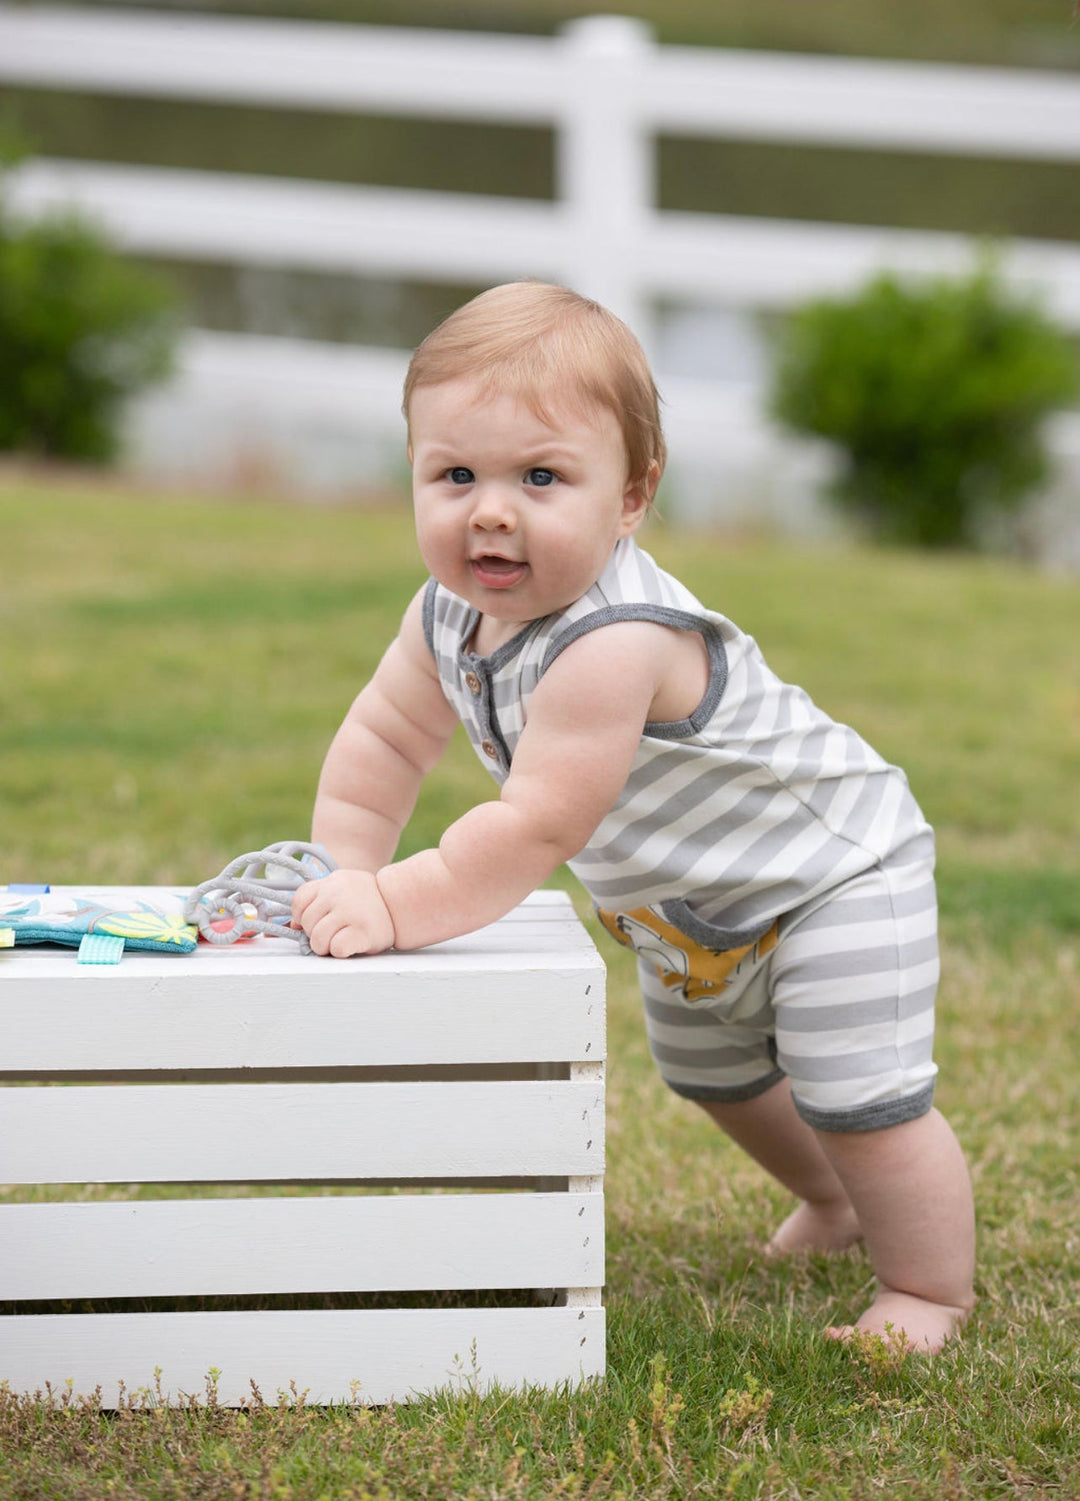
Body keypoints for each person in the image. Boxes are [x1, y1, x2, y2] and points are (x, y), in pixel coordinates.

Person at [292, 281, 976, 1354]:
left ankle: (926, 1288)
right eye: (456, 473)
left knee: (863, 1097)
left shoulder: (613, 640)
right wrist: (333, 867)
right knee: (717, 1075)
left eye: (542, 477)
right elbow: (384, 742)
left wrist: (391, 900)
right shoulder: (444, 613)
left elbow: (532, 830)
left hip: (833, 874)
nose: (492, 510)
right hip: (693, 913)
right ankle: (835, 1204)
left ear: (629, 496)